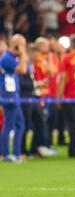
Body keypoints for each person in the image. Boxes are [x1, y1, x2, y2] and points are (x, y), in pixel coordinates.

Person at [0, 34, 28, 163]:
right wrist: (22, 54)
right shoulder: (6, 58)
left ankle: (15, 153)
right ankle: (6, 154)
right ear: (16, 45)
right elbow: (23, 69)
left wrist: (22, 54)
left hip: (13, 94)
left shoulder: (11, 57)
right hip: (8, 95)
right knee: (9, 125)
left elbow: (24, 68)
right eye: (22, 45)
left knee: (19, 124)